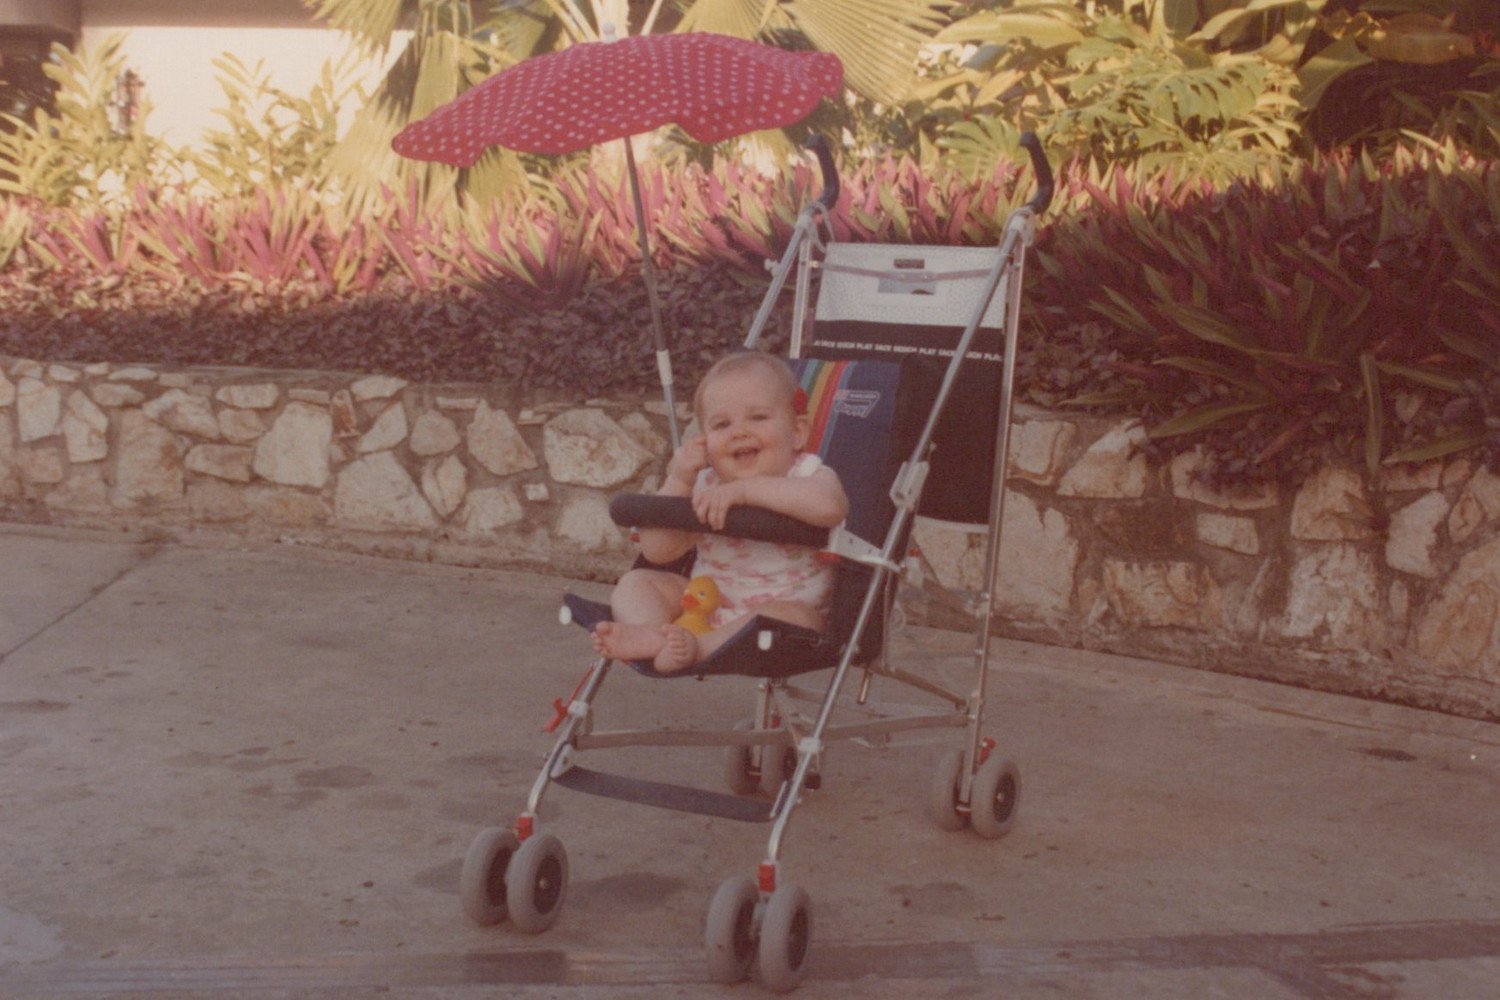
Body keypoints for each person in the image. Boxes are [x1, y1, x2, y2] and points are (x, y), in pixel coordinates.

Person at [591, 352, 849, 673]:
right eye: (722, 424)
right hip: (703, 606)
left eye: (758, 418)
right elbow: (658, 552)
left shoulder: (807, 474)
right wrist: (679, 479)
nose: (739, 432)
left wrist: (746, 491)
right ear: (705, 441)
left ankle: (696, 648)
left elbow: (831, 507)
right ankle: (652, 634)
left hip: (777, 619)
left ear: (797, 432)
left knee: (796, 616)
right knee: (636, 582)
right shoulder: (706, 484)